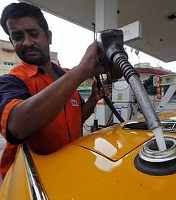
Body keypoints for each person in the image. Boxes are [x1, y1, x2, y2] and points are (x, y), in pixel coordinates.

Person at [0, 2, 106, 178]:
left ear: (48, 37)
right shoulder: (11, 82)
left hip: (69, 170)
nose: (27, 42)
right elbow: (17, 126)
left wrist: (93, 100)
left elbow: (77, 118)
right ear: (11, 41)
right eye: (18, 37)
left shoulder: (64, 77)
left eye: (33, 34)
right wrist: (81, 71)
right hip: (31, 184)